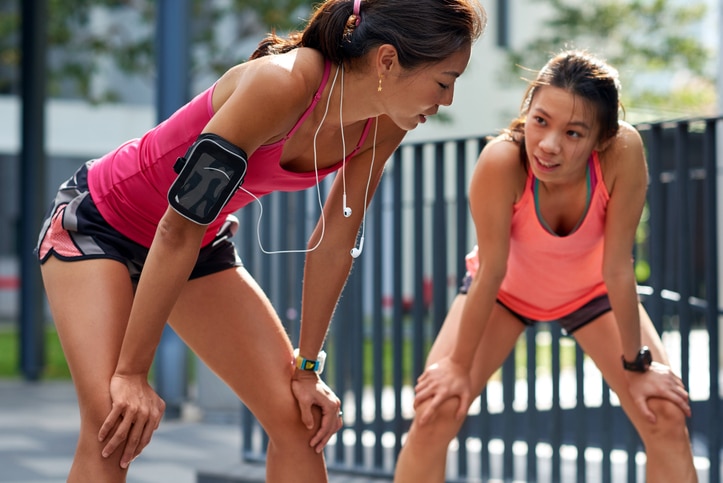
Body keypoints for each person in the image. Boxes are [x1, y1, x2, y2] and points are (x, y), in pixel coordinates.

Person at [35, 1, 486, 481]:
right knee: (114, 427)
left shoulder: (386, 120)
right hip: (102, 221)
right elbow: (176, 226)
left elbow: (336, 238)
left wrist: (307, 370)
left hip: (195, 245)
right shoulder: (281, 83)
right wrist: (131, 373)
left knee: (298, 420)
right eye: (444, 81)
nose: (448, 101)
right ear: (388, 60)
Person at [393, 50, 697, 483]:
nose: (550, 144)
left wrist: (638, 366)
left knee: (664, 414)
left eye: (574, 133)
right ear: (527, 111)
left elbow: (618, 269)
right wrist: (458, 367)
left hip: (592, 290)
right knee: (435, 410)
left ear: (602, 139)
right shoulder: (502, 161)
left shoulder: (623, 152)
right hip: (504, 292)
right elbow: (492, 270)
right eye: (540, 121)